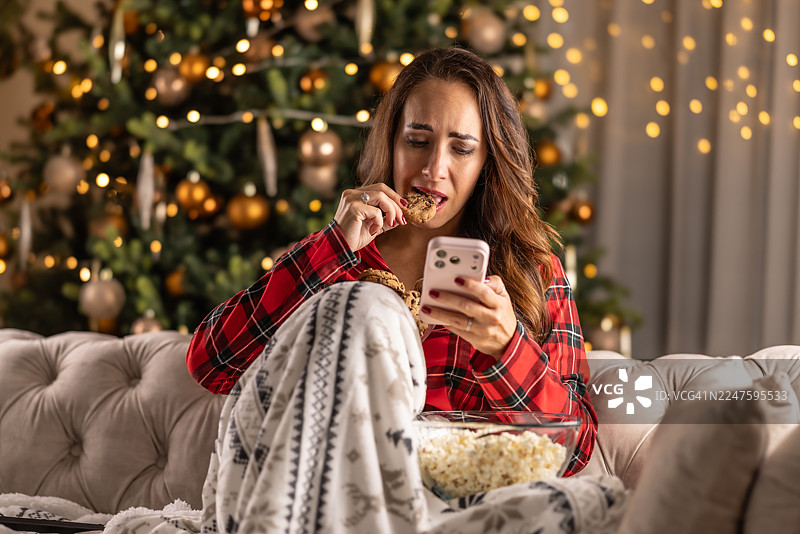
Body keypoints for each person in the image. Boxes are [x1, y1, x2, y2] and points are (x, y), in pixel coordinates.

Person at [187, 47, 596, 487]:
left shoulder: (531, 272)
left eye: (461, 149)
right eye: (417, 141)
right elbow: (212, 364)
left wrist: (506, 348)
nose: (433, 169)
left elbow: (576, 447)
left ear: (486, 163)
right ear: (392, 142)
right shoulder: (336, 257)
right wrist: (333, 246)